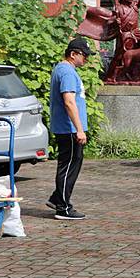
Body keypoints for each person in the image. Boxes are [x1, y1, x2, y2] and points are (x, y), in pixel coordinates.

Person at [46, 37, 95, 220]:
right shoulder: (66, 72)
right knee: (68, 166)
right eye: (84, 55)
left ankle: (57, 197)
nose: (86, 60)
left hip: (69, 128)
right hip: (69, 129)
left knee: (72, 164)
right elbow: (69, 101)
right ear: (73, 54)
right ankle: (63, 208)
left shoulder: (64, 69)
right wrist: (79, 129)